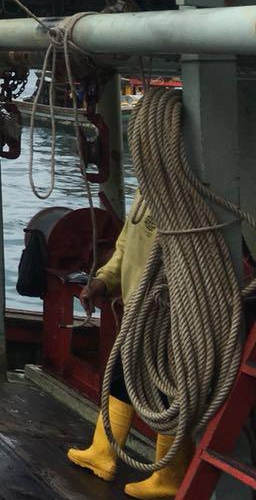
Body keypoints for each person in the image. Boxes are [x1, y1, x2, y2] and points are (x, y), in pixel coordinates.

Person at [67, 189, 187, 497]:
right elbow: (125, 247)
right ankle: (102, 453)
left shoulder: (187, 196)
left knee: (167, 391)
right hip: (140, 308)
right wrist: (102, 281)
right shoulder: (145, 192)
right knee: (121, 378)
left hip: (170, 313)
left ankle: (169, 478)